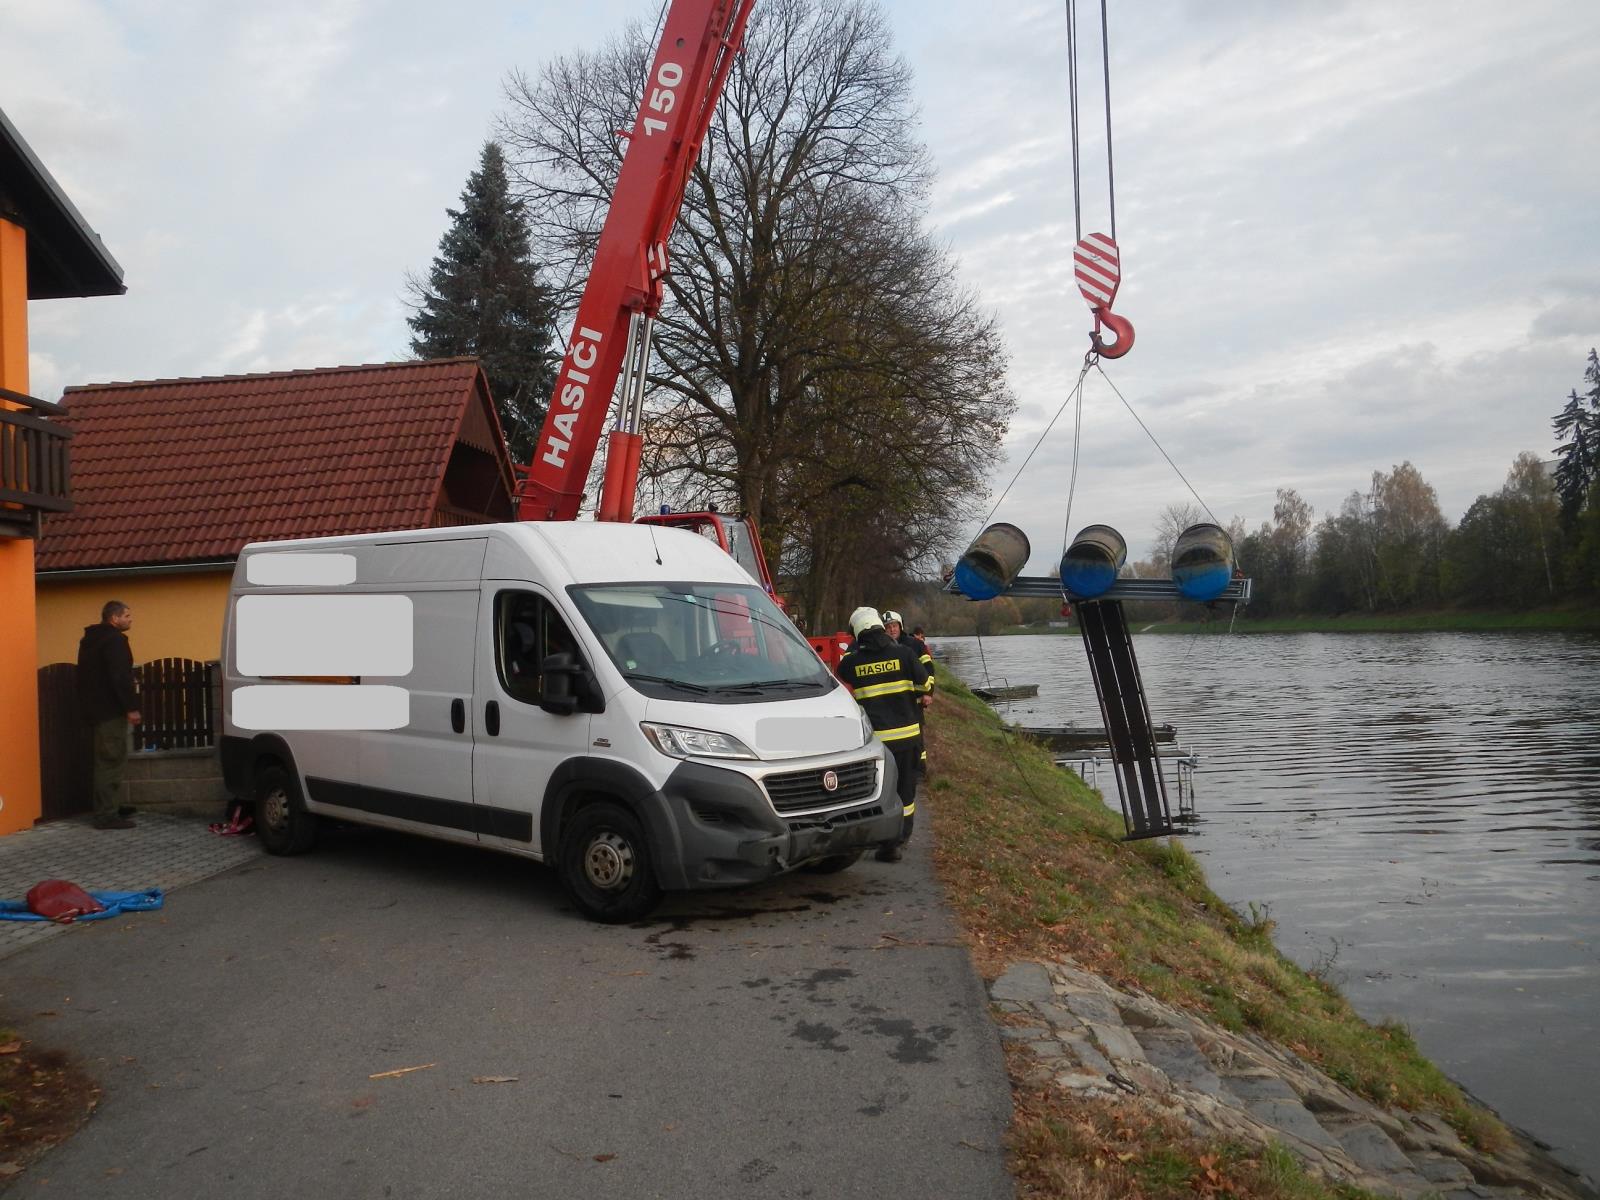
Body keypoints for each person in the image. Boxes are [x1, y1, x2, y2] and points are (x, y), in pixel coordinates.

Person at [836, 607, 929, 863]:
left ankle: (876, 837)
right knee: (905, 791)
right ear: (881, 627)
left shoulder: (852, 662)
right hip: (909, 737)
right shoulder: (905, 654)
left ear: (857, 633)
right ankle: (896, 843)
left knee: (877, 791)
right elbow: (926, 685)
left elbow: (839, 673)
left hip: (876, 743)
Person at [76, 600, 140, 830]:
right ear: (114, 618)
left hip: (94, 709)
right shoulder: (114, 641)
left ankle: (111, 806)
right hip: (110, 710)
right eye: (127, 615)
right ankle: (106, 815)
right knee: (110, 761)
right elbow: (119, 676)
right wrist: (130, 707)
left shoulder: (91, 641)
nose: (131, 619)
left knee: (106, 759)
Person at [883, 610, 935, 777]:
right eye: (888, 627)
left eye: (894, 626)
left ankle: (920, 771)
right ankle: (897, 771)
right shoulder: (881, 648)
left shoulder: (915, 644)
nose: (892, 630)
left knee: (917, 736)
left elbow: (929, 670)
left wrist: (928, 693)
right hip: (893, 700)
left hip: (915, 699)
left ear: (900, 626)